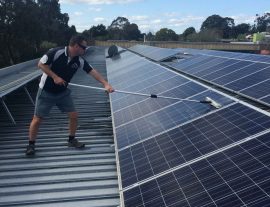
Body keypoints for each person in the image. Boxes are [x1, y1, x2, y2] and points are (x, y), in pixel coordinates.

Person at [26, 35, 114, 156]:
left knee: (73, 115)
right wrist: (55, 77)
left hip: (62, 92)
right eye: (84, 47)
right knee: (37, 119)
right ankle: (31, 145)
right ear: (76, 46)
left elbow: (92, 71)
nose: (85, 50)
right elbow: (41, 64)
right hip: (46, 91)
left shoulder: (79, 60)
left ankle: (71, 140)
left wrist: (105, 84)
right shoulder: (55, 52)